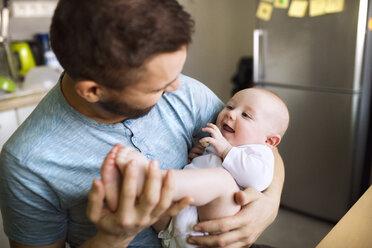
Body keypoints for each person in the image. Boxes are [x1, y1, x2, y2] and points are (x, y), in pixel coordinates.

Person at [0, 0, 285, 247]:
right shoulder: (28, 163)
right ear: (93, 91)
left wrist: (269, 204)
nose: (177, 87)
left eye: (177, 72)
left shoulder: (186, 91)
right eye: (158, 87)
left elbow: (258, 143)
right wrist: (113, 238)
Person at [109, 88, 289, 248]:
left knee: (222, 180)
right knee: (148, 201)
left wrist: (225, 150)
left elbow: (258, 179)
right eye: (230, 106)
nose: (230, 114)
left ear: (269, 141)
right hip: (174, 225)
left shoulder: (260, 152)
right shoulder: (219, 143)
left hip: (214, 231)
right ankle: (134, 187)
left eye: (246, 115)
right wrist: (199, 156)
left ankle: (151, 179)